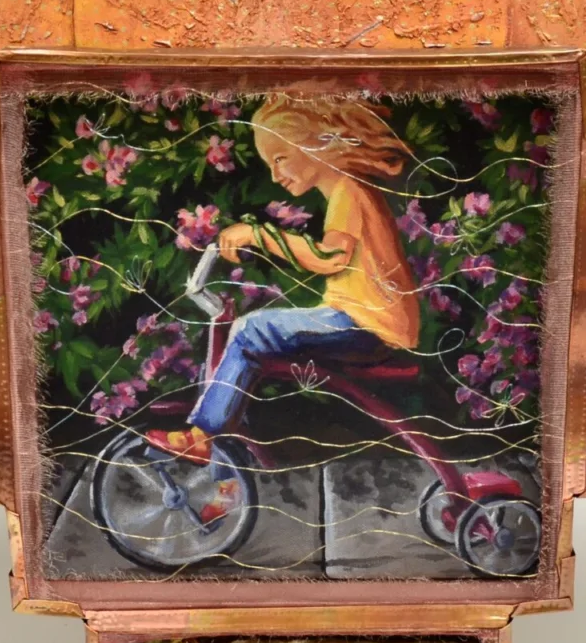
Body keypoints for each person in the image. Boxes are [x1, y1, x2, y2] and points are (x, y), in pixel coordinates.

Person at [146, 94, 419, 465]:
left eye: (280, 158)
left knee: (251, 330)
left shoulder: (349, 192)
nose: (275, 176)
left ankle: (202, 437)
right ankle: (223, 463)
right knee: (249, 345)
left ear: (316, 145)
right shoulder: (347, 192)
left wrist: (258, 235)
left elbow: (330, 258)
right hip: (364, 319)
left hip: (368, 324)